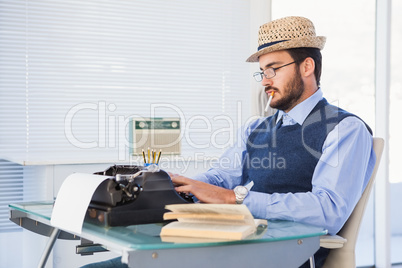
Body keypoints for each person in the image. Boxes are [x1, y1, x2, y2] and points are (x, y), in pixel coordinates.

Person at [82, 16, 376, 268]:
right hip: (238, 246)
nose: (264, 80)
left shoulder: (345, 129)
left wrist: (236, 198)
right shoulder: (256, 127)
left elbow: (328, 211)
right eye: (262, 72)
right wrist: (175, 184)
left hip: (286, 256)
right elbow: (221, 177)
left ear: (307, 66)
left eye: (273, 69)